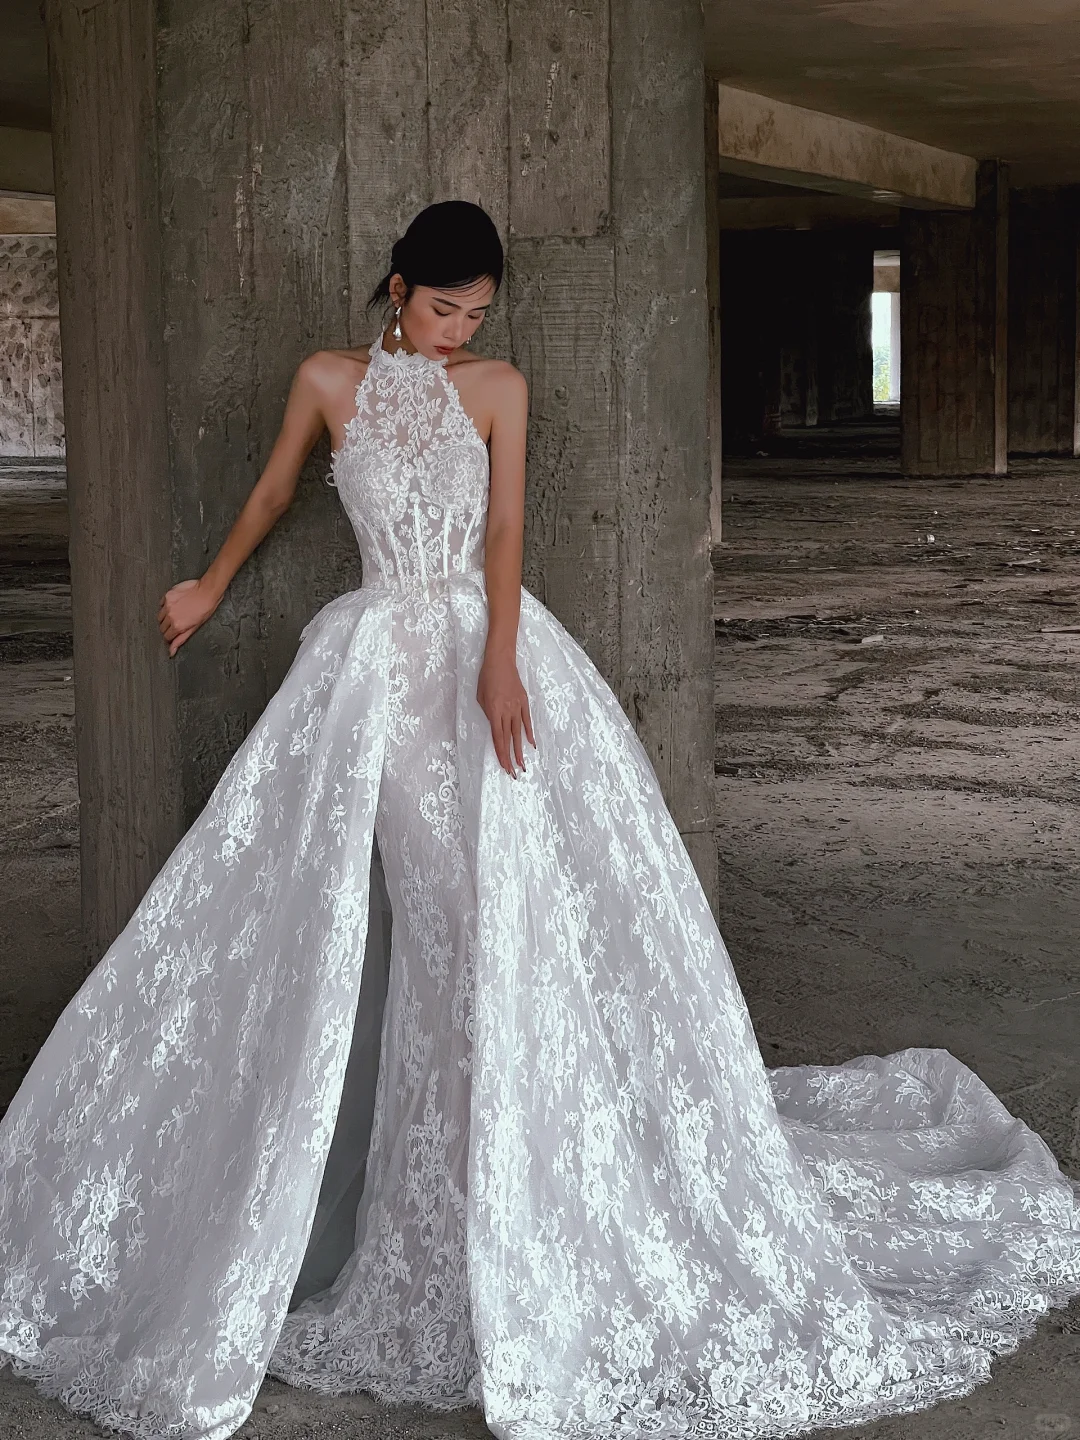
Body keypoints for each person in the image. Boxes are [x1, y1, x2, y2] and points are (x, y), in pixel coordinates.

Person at [0, 198, 1078, 1440]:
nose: (462, 331)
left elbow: (506, 529)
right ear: (398, 285)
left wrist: (500, 657)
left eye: (479, 314)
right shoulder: (325, 378)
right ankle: (441, 1219)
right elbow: (274, 490)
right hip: (375, 681)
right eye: (446, 306)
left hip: (482, 661)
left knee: (508, 924)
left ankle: (527, 1207)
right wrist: (208, 582)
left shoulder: (501, 390)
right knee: (436, 933)